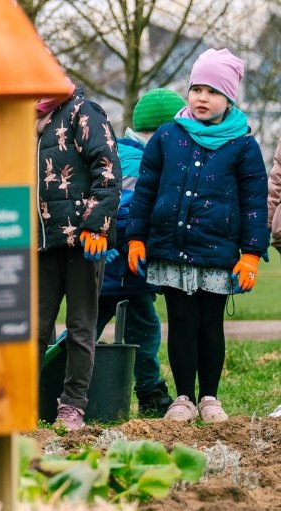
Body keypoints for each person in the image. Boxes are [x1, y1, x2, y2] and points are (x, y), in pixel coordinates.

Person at [128, 48, 268, 423]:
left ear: (228, 98)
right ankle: (183, 398)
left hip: (217, 252)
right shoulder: (168, 136)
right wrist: (137, 236)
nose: (202, 98)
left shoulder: (243, 145)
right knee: (182, 323)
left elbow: (254, 201)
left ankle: (209, 397)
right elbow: (146, 189)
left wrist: (251, 254)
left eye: (212, 91)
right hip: (172, 248)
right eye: (196, 89)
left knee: (210, 324)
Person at [36, 82, 121, 431]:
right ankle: (19, 399)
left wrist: (97, 226)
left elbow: (107, 170)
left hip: (82, 240)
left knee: (80, 326)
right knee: (33, 327)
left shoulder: (83, 112)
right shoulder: (28, 120)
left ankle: (72, 405)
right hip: (42, 240)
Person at [97, 89, 183, 417]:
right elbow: (123, 212)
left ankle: (61, 375)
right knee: (141, 331)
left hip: (115, 271)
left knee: (91, 327)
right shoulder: (140, 161)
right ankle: (150, 393)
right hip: (120, 269)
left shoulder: (120, 153)